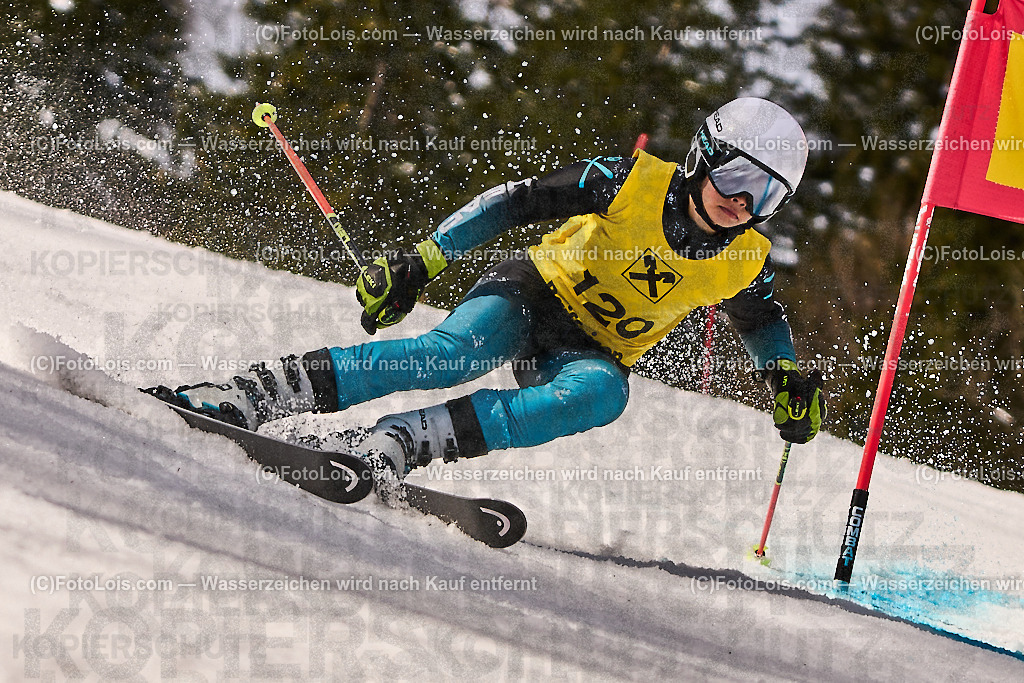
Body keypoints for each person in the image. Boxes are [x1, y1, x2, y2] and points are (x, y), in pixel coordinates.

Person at [149, 97, 826, 479]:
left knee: (603, 395)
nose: (746, 202)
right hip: (533, 293)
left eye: (768, 194)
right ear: (705, 155)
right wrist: (422, 261)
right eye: (739, 178)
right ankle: (251, 393)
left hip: (587, 349)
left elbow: (760, 320)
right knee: (452, 352)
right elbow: (518, 200)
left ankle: (403, 441)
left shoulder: (744, 258)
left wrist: (786, 378)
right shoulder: (632, 180)